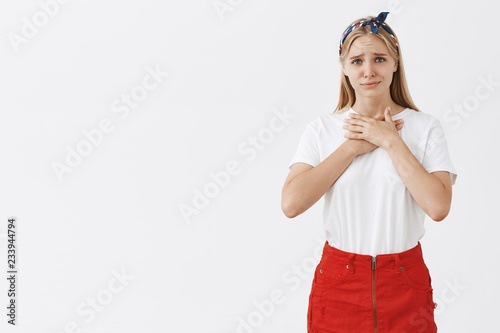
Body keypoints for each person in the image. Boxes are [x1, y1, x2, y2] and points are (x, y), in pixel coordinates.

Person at [281, 11, 458, 333]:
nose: (368, 71)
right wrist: (351, 148)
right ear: (345, 68)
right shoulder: (322, 129)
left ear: (395, 62)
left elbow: (438, 206)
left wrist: (390, 140)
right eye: (357, 61)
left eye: (378, 58)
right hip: (339, 279)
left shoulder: (425, 128)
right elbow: (291, 204)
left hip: (405, 278)